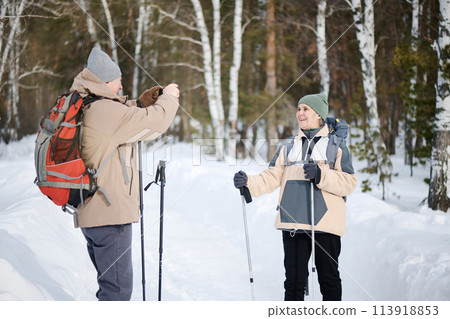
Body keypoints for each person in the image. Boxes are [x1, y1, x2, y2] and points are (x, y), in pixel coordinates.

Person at [70, 47, 179, 300]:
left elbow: (123, 116)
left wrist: (142, 102)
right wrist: (170, 98)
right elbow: (156, 122)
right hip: (109, 215)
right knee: (117, 293)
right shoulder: (104, 111)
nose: (120, 86)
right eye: (118, 81)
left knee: (109, 289)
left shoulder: (88, 104)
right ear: (105, 82)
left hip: (93, 213)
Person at [233, 93, 357, 301]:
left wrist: (321, 175)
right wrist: (249, 182)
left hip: (325, 225)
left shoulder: (336, 146)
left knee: (329, 281)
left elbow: (349, 182)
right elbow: (272, 176)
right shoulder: (289, 145)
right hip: (293, 223)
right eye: (298, 109)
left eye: (305, 109)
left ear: (319, 114)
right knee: (293, 283)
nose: (299, 113)